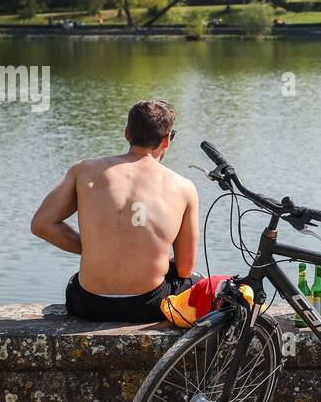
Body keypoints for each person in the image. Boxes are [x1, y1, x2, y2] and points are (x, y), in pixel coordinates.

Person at [31, 100, 201, 324]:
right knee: (198, 283)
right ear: (166, 140)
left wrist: (95, 247)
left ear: (127, 133)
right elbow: (186, 268)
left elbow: (42, 224)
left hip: (88, 304)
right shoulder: (183, 187)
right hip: (148, 306)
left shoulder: (84, 171)